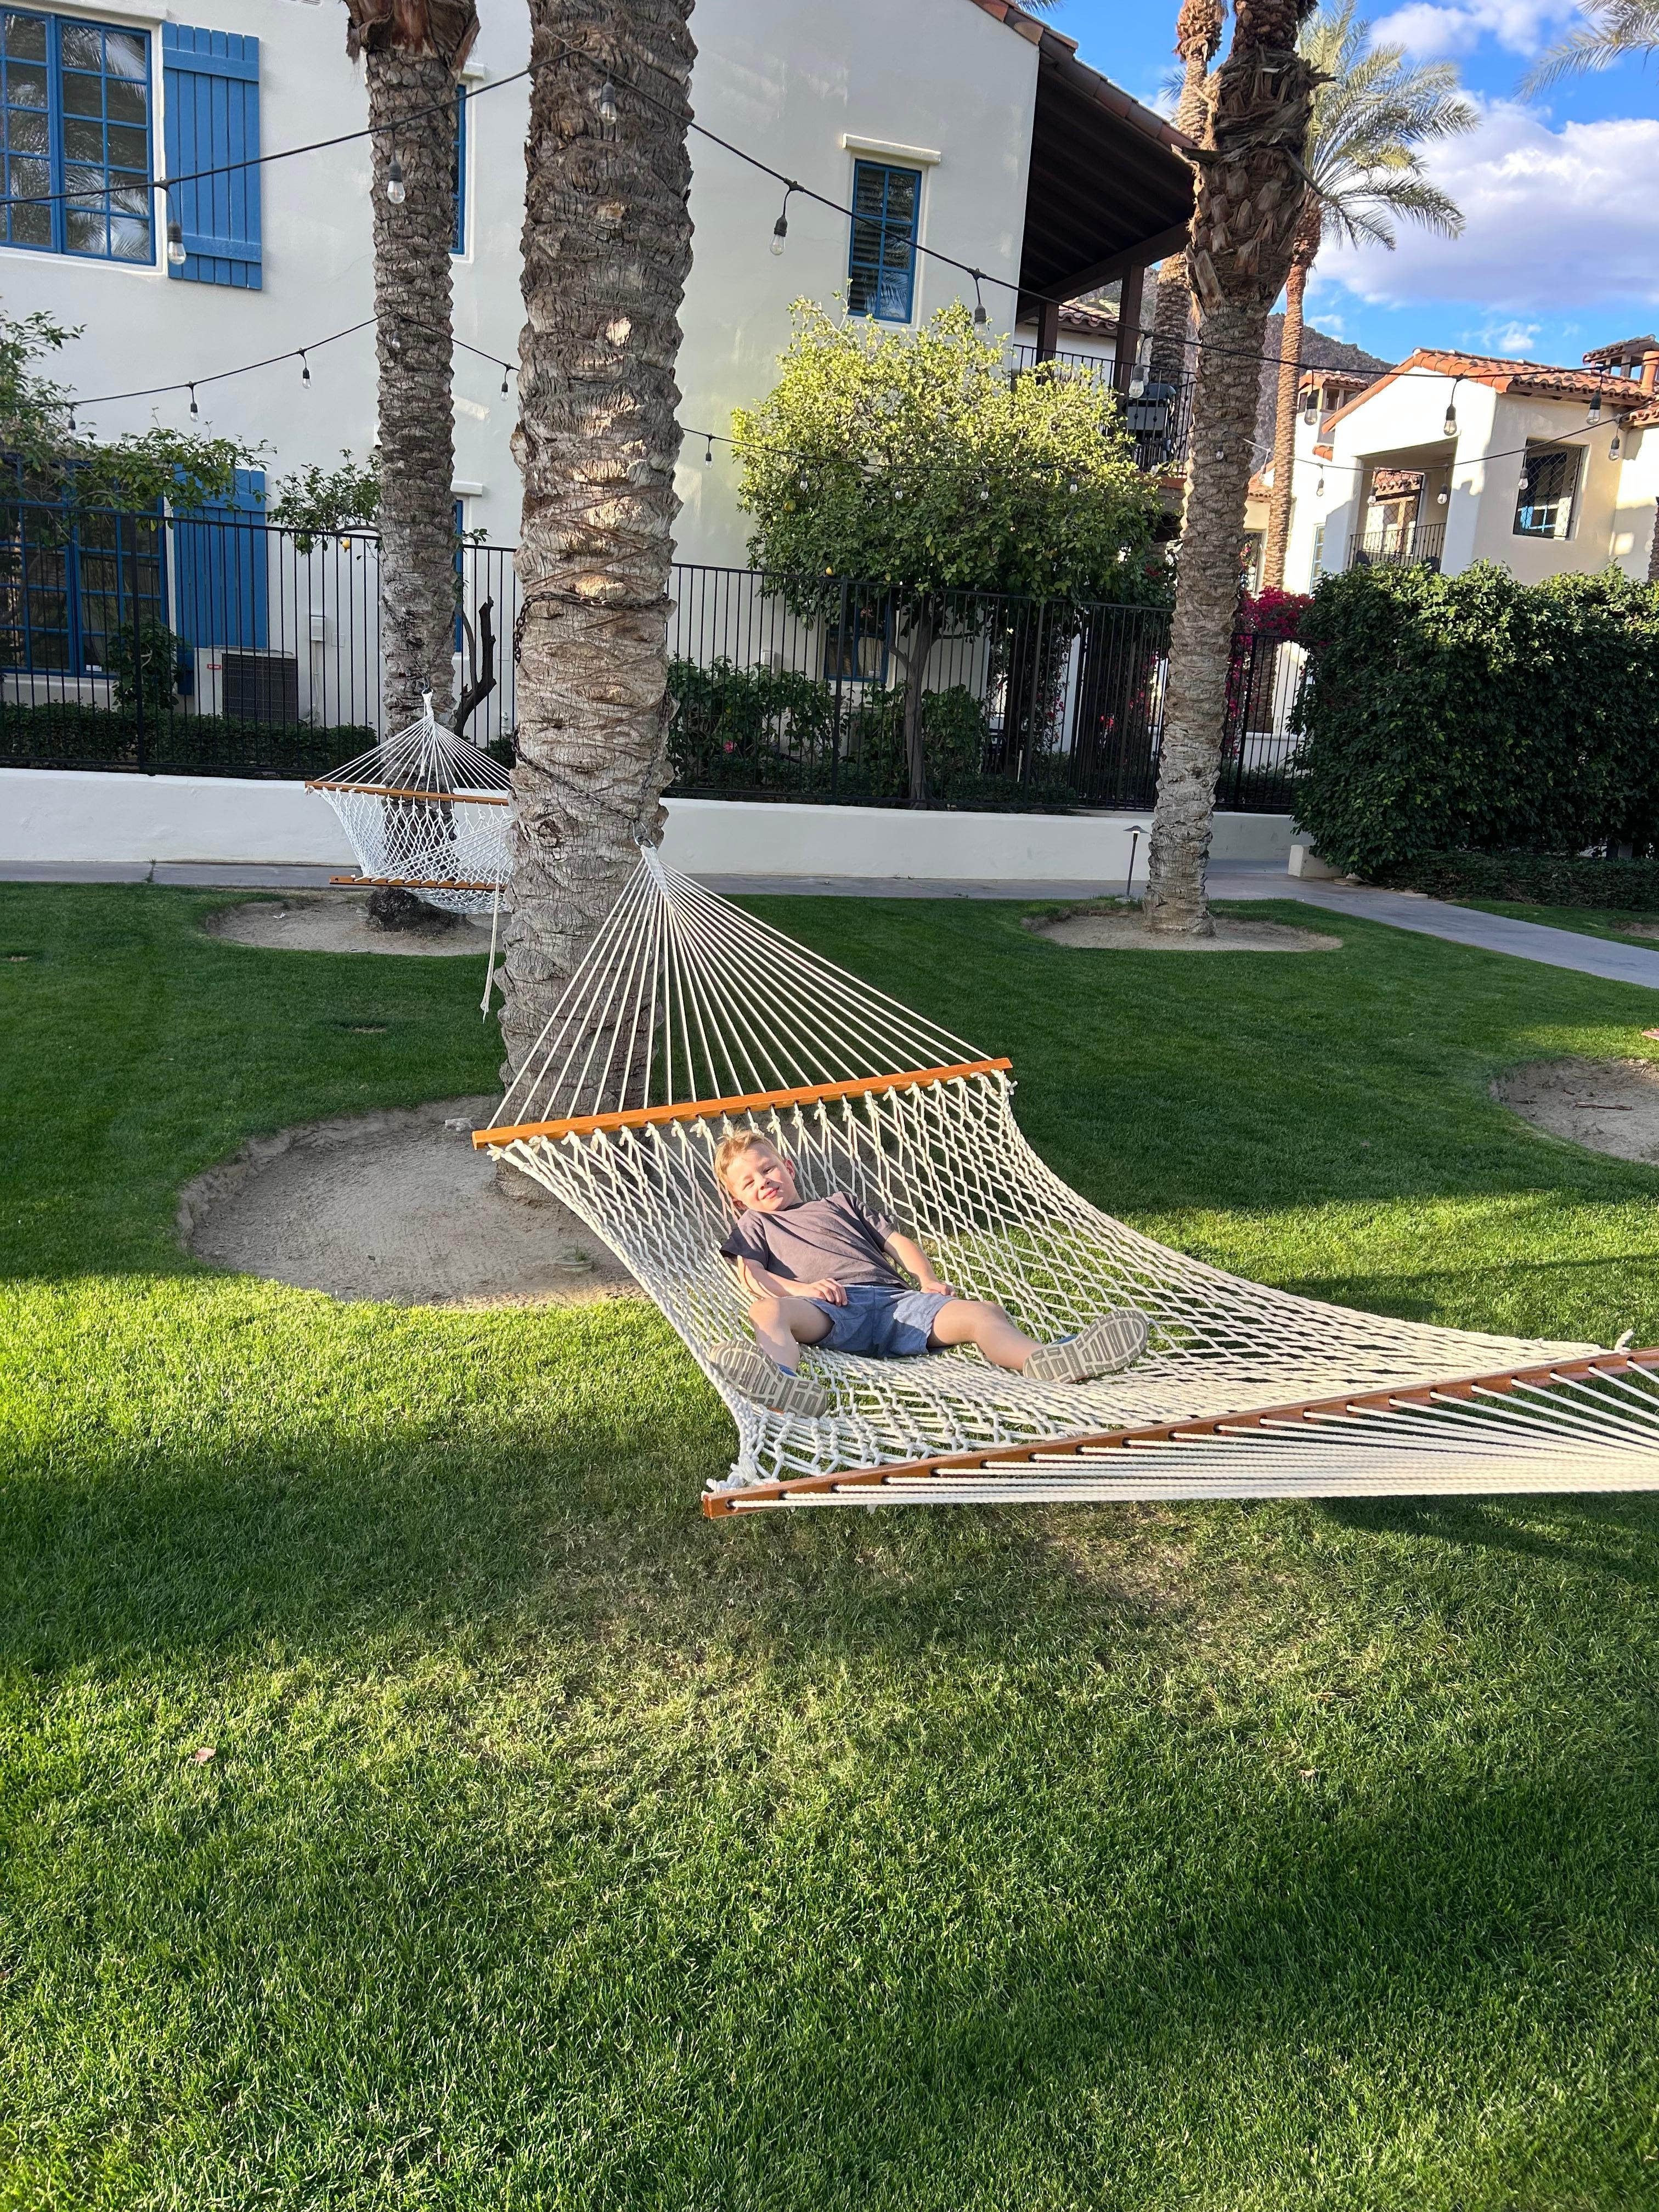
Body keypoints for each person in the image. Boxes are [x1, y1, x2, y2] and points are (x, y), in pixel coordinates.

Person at [709, 1129, 1147, 1418]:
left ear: (788, 1167)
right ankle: (783, 1386)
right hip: (830, 1310)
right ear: (739, 1202)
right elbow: (752, 1276)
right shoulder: (756, 1224)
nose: (763, 1181)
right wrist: (803, 1290)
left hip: (898, 1305)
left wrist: (927, 1280)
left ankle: (1043, 1360)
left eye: (768, 1168)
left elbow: (897, 1243)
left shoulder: (840, 1203)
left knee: (983, 1313)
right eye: (749, 1183)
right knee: (767, 1310)